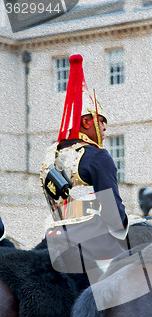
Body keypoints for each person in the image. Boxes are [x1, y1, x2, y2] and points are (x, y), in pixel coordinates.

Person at [40, 54, 130, 275]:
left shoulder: (51, 155)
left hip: (56, 239)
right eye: (101, 121)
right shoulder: (97, 156)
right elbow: (113, 216)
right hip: (94, 243)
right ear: (87, 121)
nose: (105, 128)